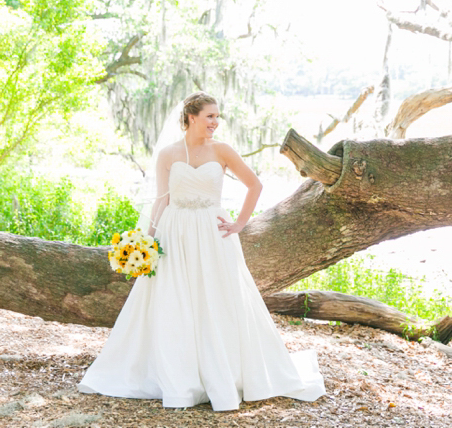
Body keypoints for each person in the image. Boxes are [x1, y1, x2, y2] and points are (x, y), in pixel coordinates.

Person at [78, 92, 326, 411]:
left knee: (217, 299)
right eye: (210, 116)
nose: (215, 122)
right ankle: (181, 375)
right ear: (191, 117)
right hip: (175, 232)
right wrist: (144, 241)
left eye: (217, 116)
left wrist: (239, 223)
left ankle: (223, 371)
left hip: (212, 233)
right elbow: (161, 199)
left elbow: (255, 185)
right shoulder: (168, 154)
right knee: (174, 300)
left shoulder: (221, 150)